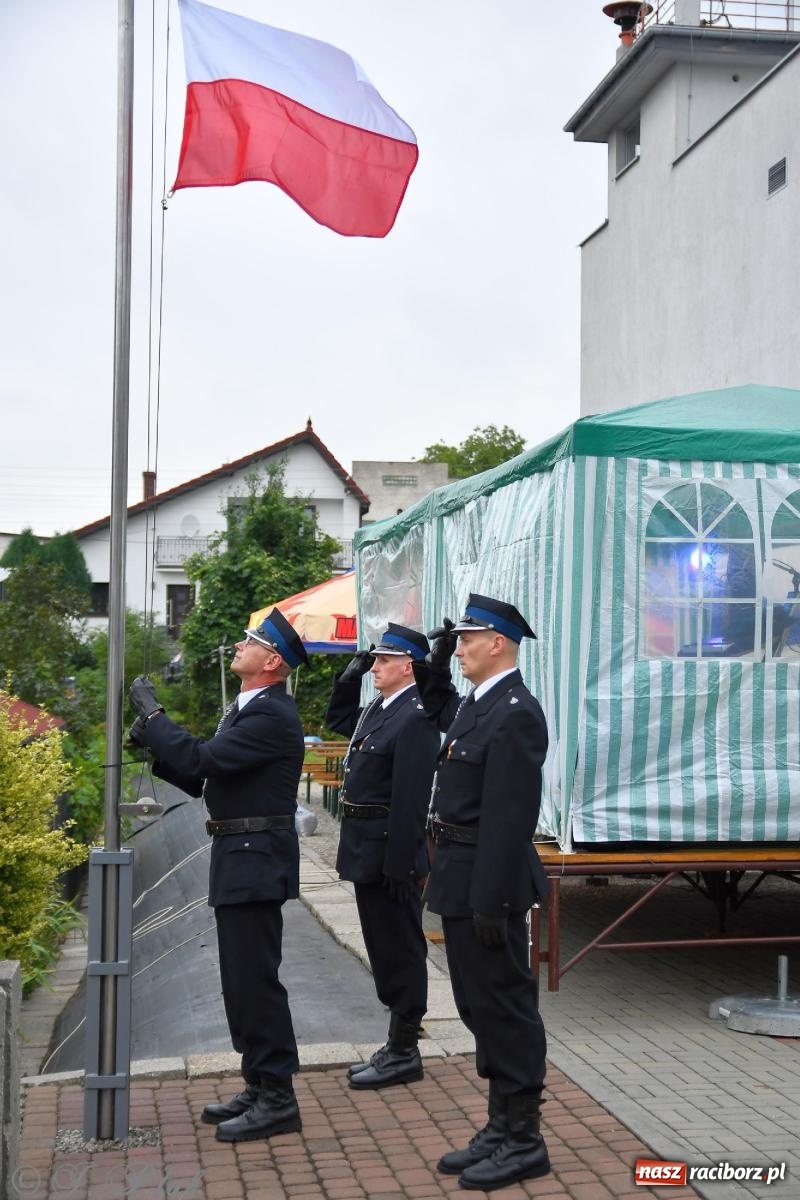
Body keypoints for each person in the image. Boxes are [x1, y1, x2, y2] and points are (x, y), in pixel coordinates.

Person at [128, 608, 308, 1144]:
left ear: (271, 661)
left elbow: (202, 760)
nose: (238, 644)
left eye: (250, 640)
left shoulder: (271, 714)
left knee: (255, 980)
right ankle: (259, 1082)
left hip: (255, 856)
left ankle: (278, 1097)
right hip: (241, 852)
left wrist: (155, 717)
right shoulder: (248, 709)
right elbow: (204, 775)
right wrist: (154, 741)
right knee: (239, 980)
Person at [412, 593, 550, 1192]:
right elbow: (436, 706)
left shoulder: (517, 711)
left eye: (467, 639)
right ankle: (500, 1125)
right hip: (460, 874)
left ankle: (524, 1139)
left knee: (505, 1007)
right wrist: (435, 664)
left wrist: (492, 899)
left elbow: (509, 817)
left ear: (498, 643)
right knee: (476, 1005)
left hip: (488, 882)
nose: (460, 646)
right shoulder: (480, 703)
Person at [325, 623, 440, 1089]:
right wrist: (346, 679)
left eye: (383, 660)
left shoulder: (415, 715)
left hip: (390, 852)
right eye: (373, 659)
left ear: (408, 666)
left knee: (400, 948)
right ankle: (395, 1044)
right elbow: (340, 723)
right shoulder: (381, 707)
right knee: (381, 945)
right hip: (366, 847)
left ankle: (405, 1049)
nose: (375, 666)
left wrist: (402, 861)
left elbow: (411, 798)